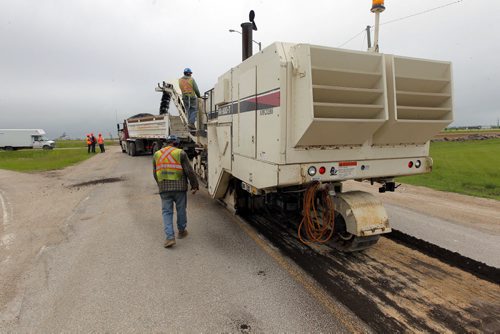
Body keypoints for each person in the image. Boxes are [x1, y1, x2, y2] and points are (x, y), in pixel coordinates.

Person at [153, 135, 199, 248]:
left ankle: (169, 238)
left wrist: (160, 185)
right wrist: (194, 185)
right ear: (176, 143)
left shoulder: (157, 154)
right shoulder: (180, 153)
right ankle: (182, 231)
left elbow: (155, 173)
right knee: (181, 209)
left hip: (164, 188)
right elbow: (189, 171)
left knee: (167, 212)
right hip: (179, 188)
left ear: (166, 143)